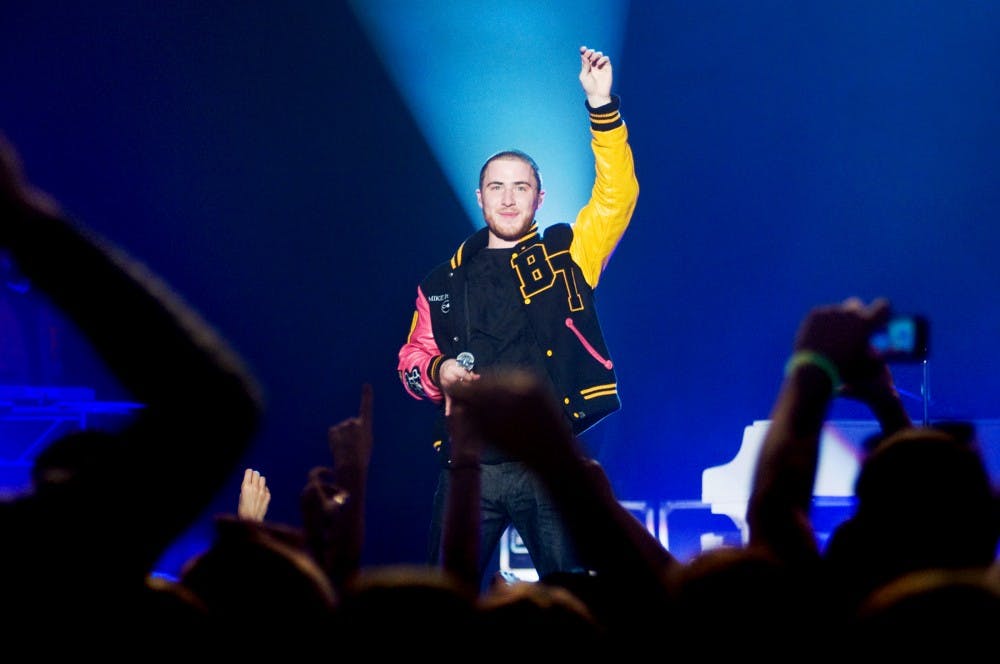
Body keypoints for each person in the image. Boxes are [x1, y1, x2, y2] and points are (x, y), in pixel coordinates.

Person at [397, 44, 639, 586]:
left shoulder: (568, 256)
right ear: (479, 197)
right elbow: (411, 361)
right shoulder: (441, 282)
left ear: (539, 197)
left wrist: (602, 107)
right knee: (441, 601)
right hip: (469, 467)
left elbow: (616, 196)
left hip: (549, 463)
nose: (508, 199)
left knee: (573, 599)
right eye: (497, 188)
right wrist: (438, 372)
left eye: (521, 188)